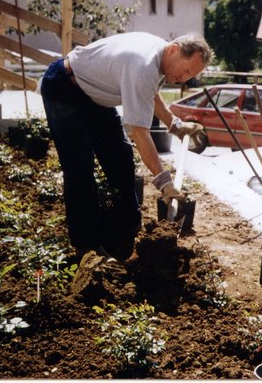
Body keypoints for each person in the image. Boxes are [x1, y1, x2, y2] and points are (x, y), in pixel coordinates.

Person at [40, 32, 213, 262]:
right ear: (174, 50)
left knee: (120, 155)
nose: (184, 78)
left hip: (94, 96)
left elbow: (150, 95)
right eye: (186, 70)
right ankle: (86, 247)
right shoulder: (143, 64)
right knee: (79, 168)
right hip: (64, 85)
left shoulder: (160, 59)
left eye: (191, 75)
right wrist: (164, 182)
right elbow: (140, 133)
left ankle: (127, 230)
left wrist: (175, 125)